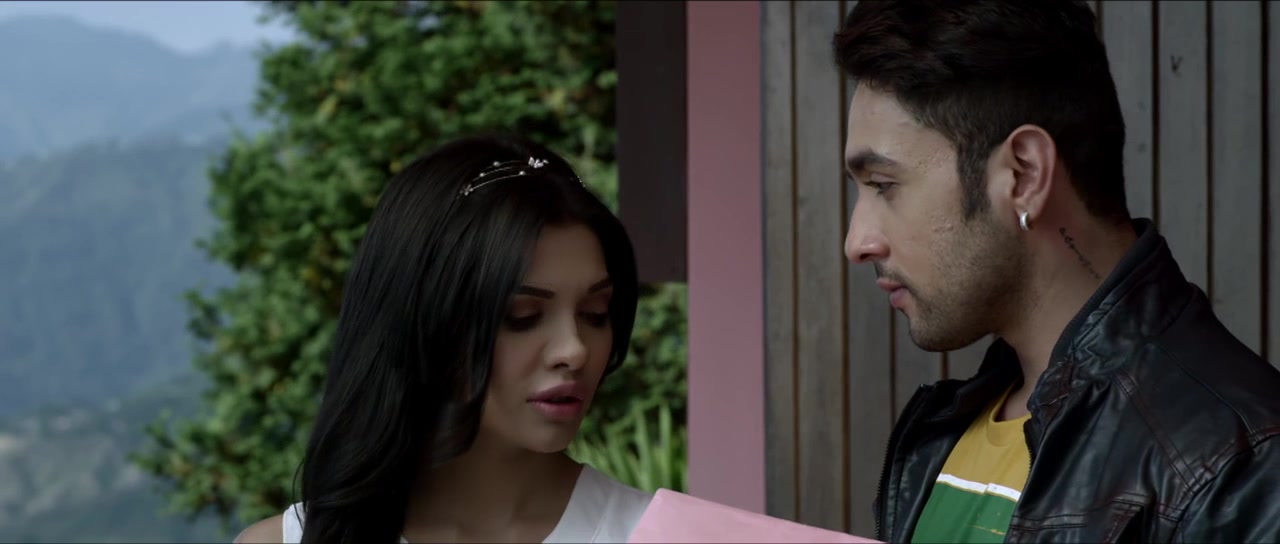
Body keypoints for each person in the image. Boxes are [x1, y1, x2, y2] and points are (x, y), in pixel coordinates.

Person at [833, 1, 1280, 542]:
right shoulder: (942, 435)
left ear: (1024, 174)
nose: (857, 243)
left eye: (884, 186)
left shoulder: (1239, 468)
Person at [233, 134, 652, 543]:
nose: (575, 349)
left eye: (595, 314)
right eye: (522, 317)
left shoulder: (667, 533)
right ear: (425, 319)